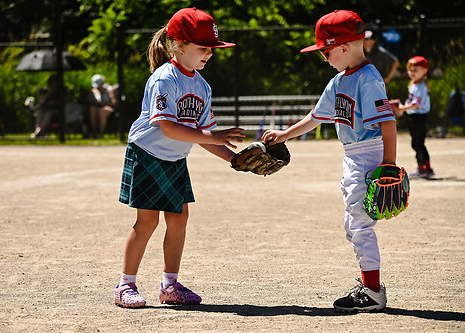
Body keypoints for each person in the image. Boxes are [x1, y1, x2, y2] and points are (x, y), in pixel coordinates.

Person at [262, 10, 399, 313]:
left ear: (343, 48)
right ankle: (369, 285)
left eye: (325, 51)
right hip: (352, 156)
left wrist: (388, 164)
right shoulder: (339, 81)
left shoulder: (369, 78)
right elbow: (316, 118)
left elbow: (387, 122)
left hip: (369, 154)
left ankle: (373, 291)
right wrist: (284, 135)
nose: (324, 58)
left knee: (360, 224)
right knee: (353, 224)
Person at [114, 7, 245, 308]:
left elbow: (205, 135)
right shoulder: (165, 79)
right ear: (178, 45)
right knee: (147, 222)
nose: (209, 54)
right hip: (147, 154)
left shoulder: (202, 86)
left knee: (179, 220)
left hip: (174, 159)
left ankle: (169, 285)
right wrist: (215, 136)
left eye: (212, 49)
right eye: (203, 48)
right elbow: (167, 127)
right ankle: (125, 285)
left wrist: (234, 160)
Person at [391, 56, 433, 178]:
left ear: (424, 71)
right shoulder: (414, 84)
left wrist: (401, 108)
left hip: (419, 117)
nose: (412, 73)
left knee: (418, 143)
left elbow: (416, 104)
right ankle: (424, 168)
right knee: (417, 143)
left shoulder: (420, 86)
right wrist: (402, 106)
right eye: (410, 70)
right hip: (414, 117)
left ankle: (424, 168)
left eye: (416, 70)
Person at [87, 74, 117, 138]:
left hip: (108, 108)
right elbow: (89, 101)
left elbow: (114, 102)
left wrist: (103, 103)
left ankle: (101, 133)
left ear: (102, 83)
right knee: (92, 109)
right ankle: (94, 132)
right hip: (98, 108)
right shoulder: (94, 90)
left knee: (102, 111)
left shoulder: (109, 89)